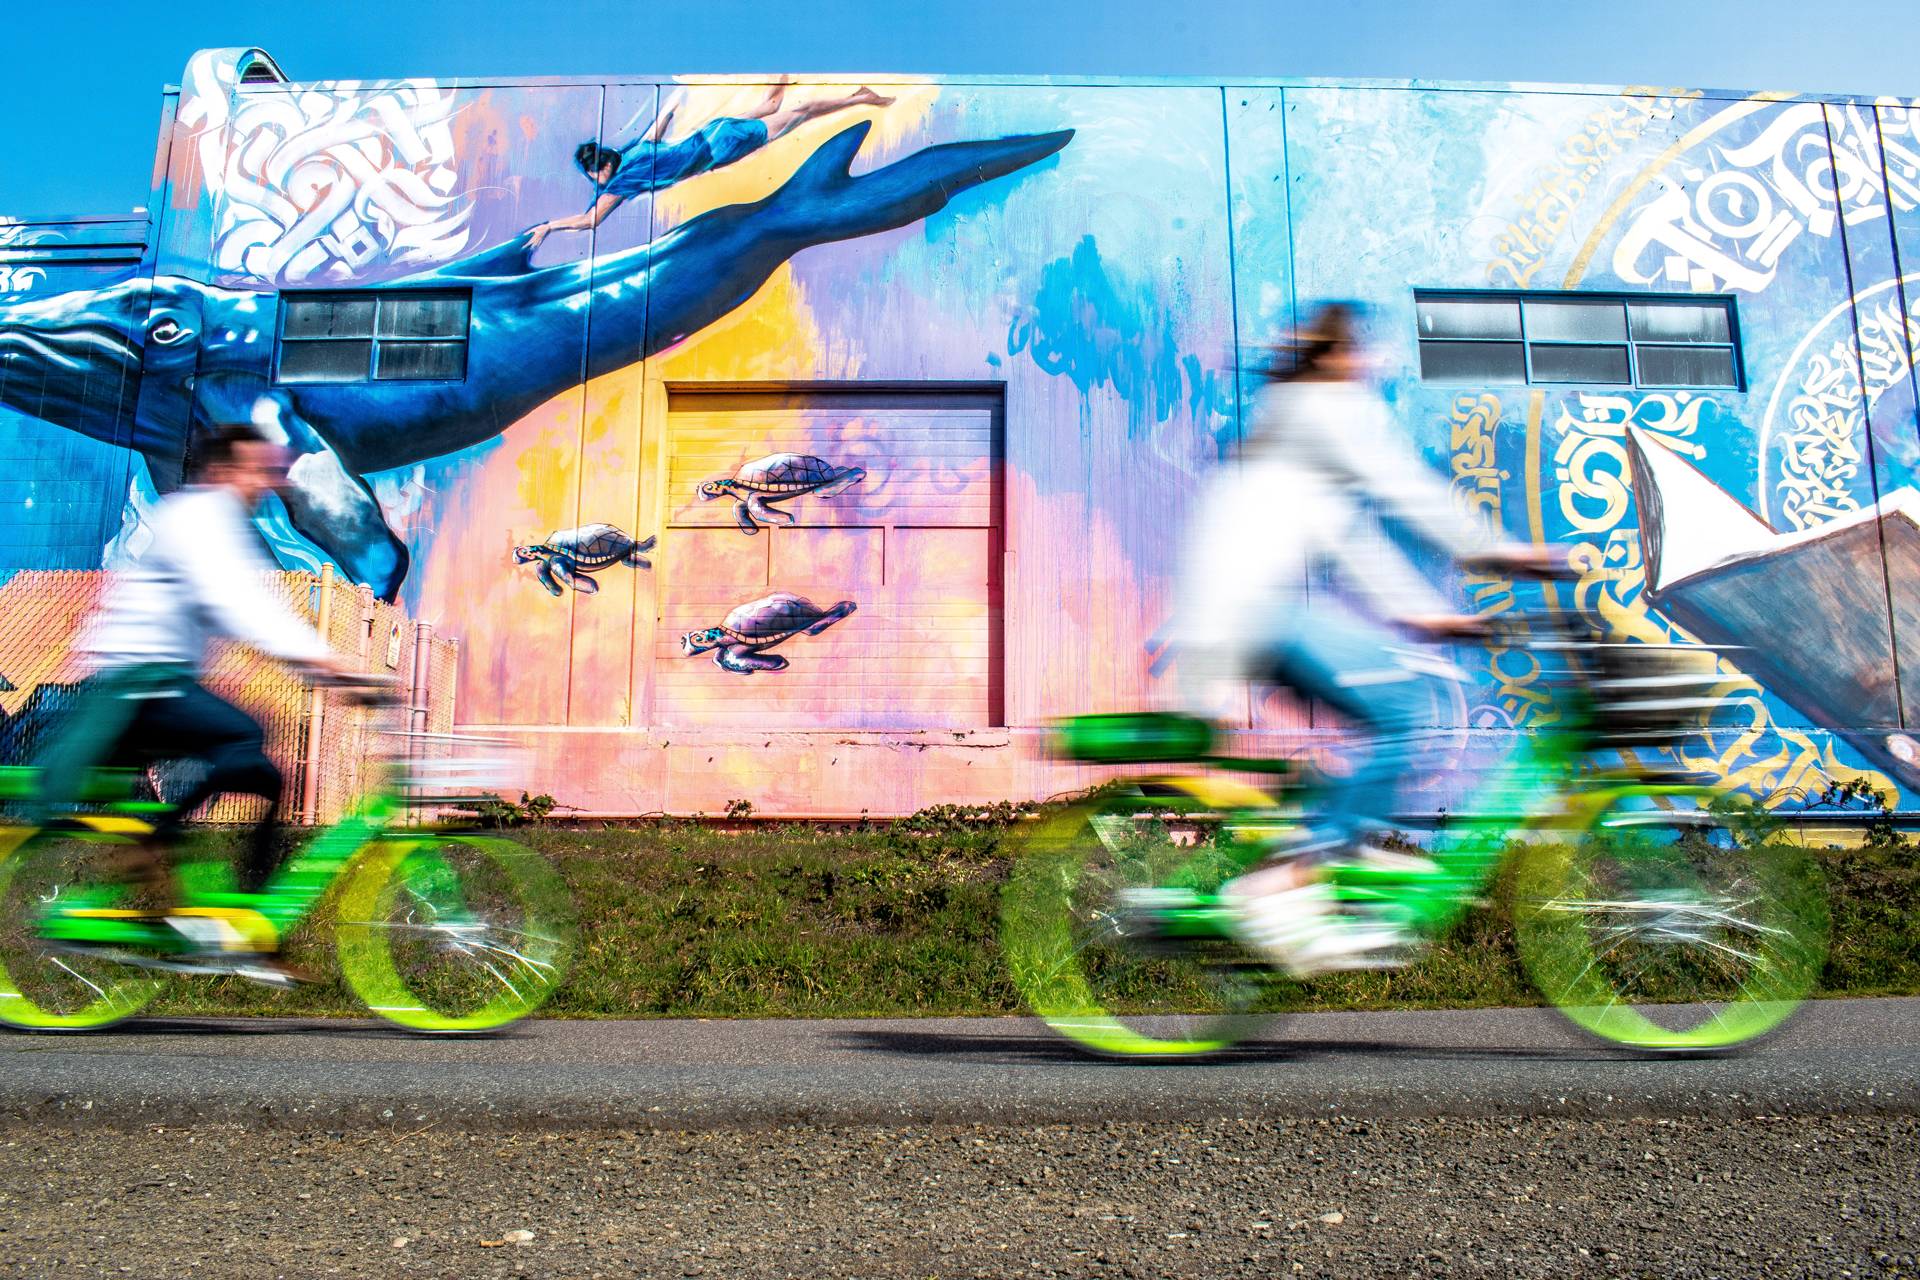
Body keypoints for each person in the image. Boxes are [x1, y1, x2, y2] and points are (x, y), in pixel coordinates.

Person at [1176, 303, 1556, 976]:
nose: (1376, 364)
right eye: (1365, 351)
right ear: (1334, 357)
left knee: (1411, 704)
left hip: (1249, 612)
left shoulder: (1295, 424)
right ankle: (1291, 877)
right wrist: (1505, 552)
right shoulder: (1322, 409)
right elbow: (1407, 492)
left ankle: (1327, 852)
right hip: (1257, 611)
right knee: (1407, 711)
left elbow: (1351, 540)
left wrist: (1432, 616)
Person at [34, 422, 360, 922]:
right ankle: (157, 844)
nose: (266, 482)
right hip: (134, 686)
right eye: (255, 470)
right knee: (245, 735)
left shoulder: (213, 522)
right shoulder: (198, 517)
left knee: (264, 774)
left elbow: (245, 607)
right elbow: (235, 603)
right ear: (223, 470)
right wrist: (327, 664)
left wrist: (311, 659)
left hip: (154, 683)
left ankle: (250, 922)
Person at [528, 81, 896, 247]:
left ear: (600, 168)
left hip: (721, 147)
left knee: (799, 115)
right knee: (771, 109)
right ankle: (783, 72)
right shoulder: (633, 155)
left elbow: (590, 220)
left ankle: (858, 98)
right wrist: (670, 105)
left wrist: (550, 226)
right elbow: (657, 131)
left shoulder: (623, 182)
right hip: (713, 132)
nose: (593, 180)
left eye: (592, 173)